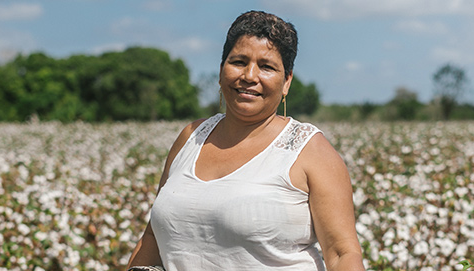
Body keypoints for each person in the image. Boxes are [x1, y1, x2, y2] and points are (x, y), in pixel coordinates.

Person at [126, 10, 364, 271]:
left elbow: (342, 254)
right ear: (220, 71)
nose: (250, 76)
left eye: (267, 66)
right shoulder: (191, 137)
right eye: (238, 62)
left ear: (286, 82)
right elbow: (152, 239)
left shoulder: (309, 150)